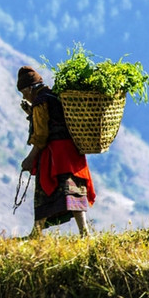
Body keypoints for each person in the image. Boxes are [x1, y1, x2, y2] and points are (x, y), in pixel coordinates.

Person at [17, 66, 96, 237]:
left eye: (24, 93)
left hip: (56, 155)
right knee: (74, 190)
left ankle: (36, 232)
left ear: (29, 89)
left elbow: (41, 135)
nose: (24, 97)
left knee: (45, 192)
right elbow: (55, 120)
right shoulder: (55, 96)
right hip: (72, 153)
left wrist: (30, 158)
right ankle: (84, 232)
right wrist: (31, 114)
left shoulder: (40, 102)